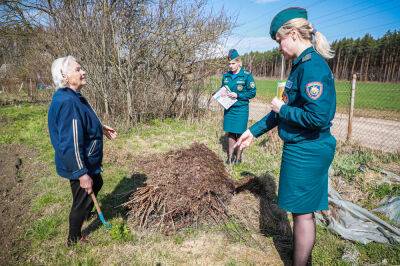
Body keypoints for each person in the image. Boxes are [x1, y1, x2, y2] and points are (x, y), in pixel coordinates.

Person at [236, 7, 336, 265]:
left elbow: (318, 118)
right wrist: (252, 132)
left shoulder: (312, 67)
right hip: (301, 147)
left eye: (279, 40)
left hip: (308, 149)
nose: (279, 47)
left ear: (292, 34)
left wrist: (284, 109)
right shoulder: (298, 67)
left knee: (302, 214)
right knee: (300, 212)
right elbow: (280, 112)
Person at [48, 56, 117, 245]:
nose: (83, 71)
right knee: (83, 196)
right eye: (78, 69)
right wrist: (81, 173)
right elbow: (70, 142)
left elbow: (81, 124)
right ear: (65, 75)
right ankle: (74, 238)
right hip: (80, 161)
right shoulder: (69, 103)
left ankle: (86, 211)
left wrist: (100, 128)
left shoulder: (73, 97)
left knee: (98, 182)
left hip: (83, 159)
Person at [221, 49, 256, 164]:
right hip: (229, 109)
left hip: (241, 109)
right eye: (229, 63)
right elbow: (223, 90)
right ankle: (230, 157)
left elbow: (252, 93)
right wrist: (220, 94)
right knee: (231, 132)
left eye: (233, 63)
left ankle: (238, 157)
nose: (230, 66)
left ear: (239, 62)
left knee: (240, 132)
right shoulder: (226, 76)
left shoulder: (246, 76)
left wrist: (238, 95)